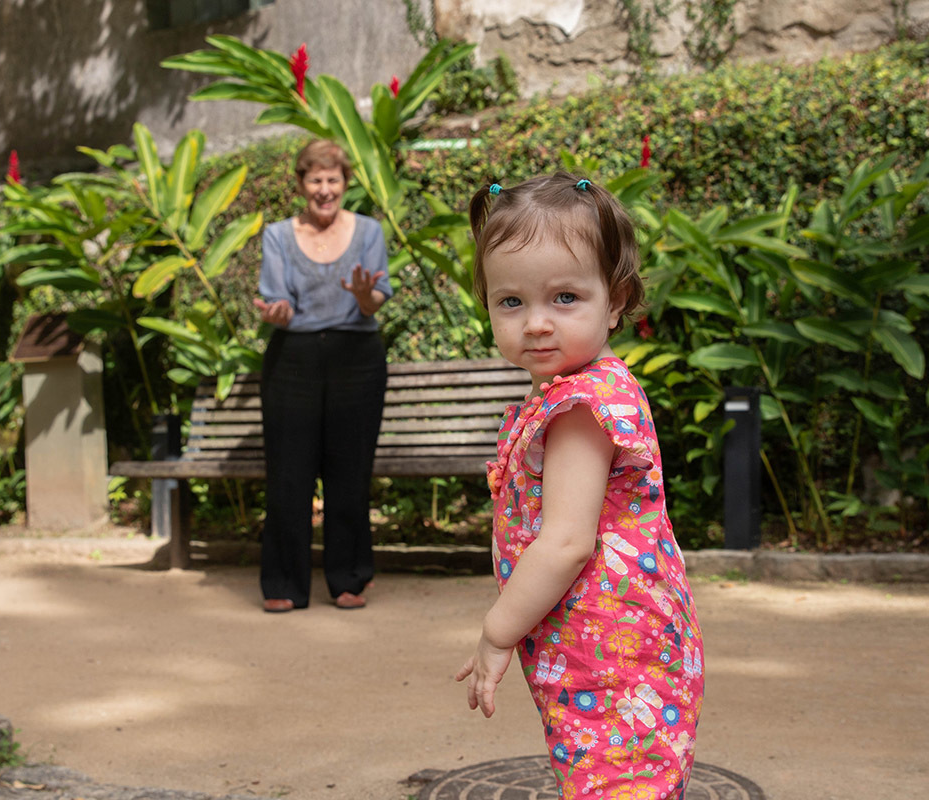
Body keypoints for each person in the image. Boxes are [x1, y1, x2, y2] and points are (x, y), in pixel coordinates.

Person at [455, 173, 704, 799]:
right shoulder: (579, 390)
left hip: (615, 660)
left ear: (615, 301)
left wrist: (497, 631)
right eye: (511, 302)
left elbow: (566, 542)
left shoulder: (580, 409)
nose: (537, 323)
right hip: (602, 649)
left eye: (565, 297)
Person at [253, 139, 393, 613]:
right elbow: (279, 302)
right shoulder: (277, 235)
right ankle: (283, 583)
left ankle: (348, 578)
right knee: (288, 474)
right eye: (315, 179)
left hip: (357, 357)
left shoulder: (369, 231)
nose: (325, 189)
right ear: (301, 184)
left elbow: (375, 302)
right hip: (293, 359)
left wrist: (364, 296)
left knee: (349, 473)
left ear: (345, 183)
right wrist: (277, 313)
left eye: (333, 179)